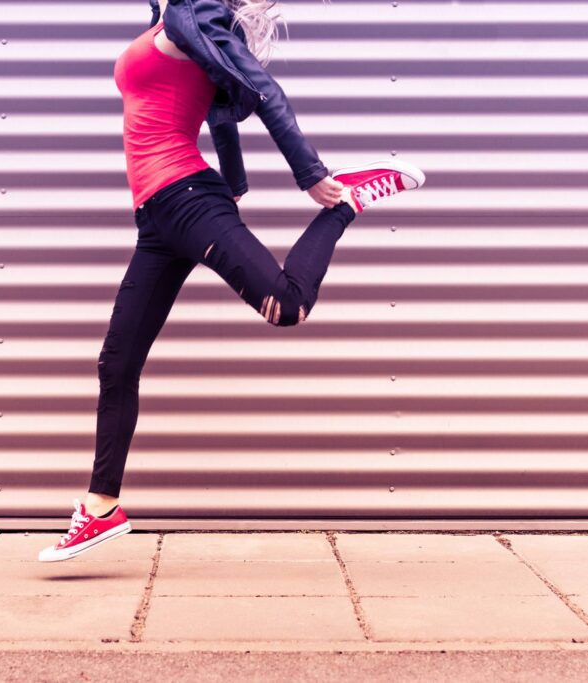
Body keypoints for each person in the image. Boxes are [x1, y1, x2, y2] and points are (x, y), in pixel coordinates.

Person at [39, 0, 425, 561]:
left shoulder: (194, 14)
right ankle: (101, 508)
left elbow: (262, 89)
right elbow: (221, 113)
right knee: (116, 364)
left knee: (287, 305)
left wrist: (312, 177)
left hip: (186, 198)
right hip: (157, 216)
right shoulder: (170, 18)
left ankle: (348, 201)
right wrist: (238, 183)